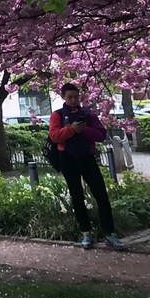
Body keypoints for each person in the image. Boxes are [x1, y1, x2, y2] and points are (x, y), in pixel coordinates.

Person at [49, 83, 125, 250]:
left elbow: (101, 135)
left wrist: (83, 130)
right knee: (77, 197)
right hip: (67, 159)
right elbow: (54, 137)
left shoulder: (88, 114)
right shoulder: (57, 115)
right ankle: (86, 233)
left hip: (87, 158)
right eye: (70, 97)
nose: (74, 100)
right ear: (63, 97)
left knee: (101, 195)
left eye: (76, 97)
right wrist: (71, 130)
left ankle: (109, 233)